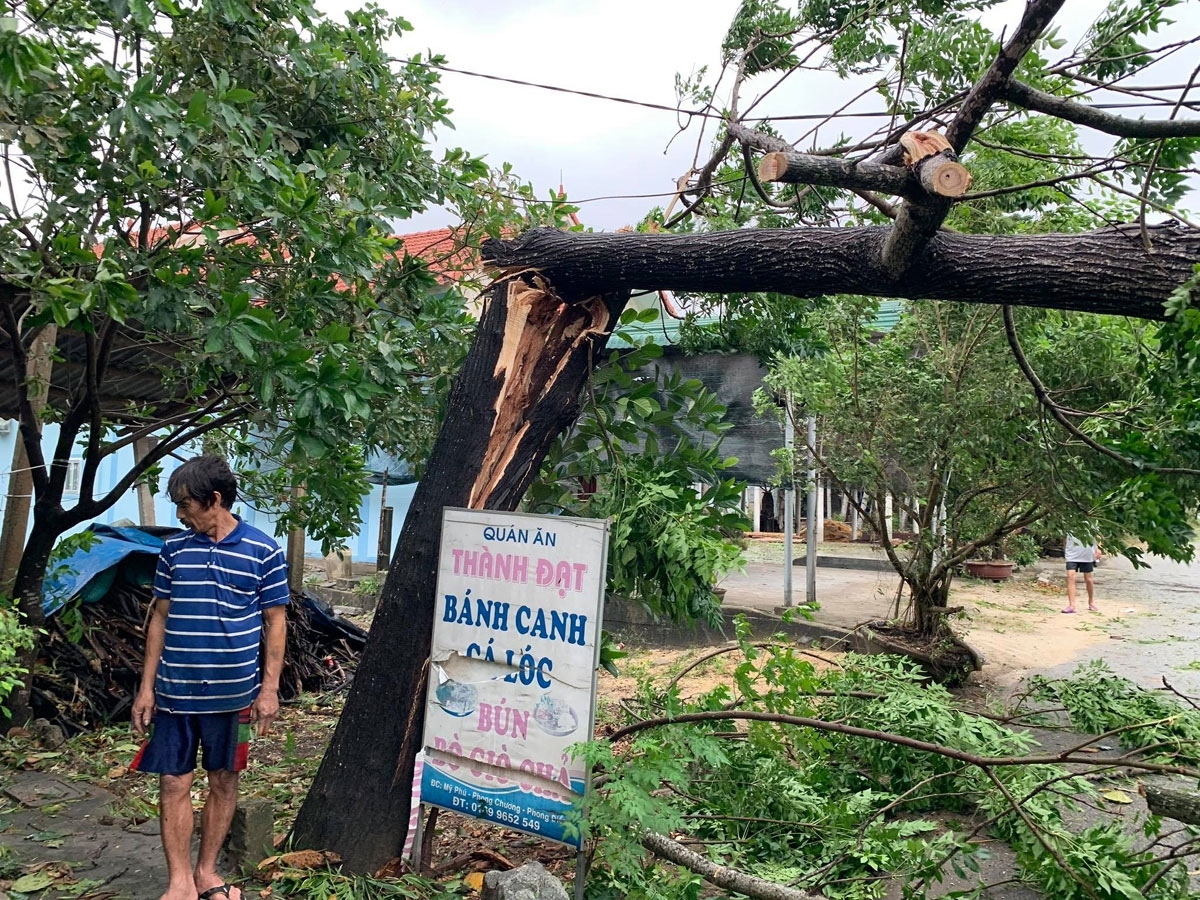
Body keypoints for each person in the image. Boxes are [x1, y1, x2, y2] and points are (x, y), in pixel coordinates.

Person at [131, 456, 289, 900]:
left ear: (214, 500)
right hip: (175, 692)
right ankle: (179, 882)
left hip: (233, 694)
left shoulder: (264, 551)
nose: (180, 515)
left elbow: (275, 621)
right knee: (173, 782)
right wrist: (146, 688)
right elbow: (159, 619)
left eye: (185, 505)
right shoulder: (174, 551)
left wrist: (269, 689)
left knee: (223, 781)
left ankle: (206, 873)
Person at [1063, 533, 1100, 614]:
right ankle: (1071, 605)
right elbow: (1065, 537)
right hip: (1071, 554)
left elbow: (1095, 536)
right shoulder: (1067, 522)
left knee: (1088, 580)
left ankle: (1091, 602)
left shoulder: (1092, 522)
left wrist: (1097, 549)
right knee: (1070, 577)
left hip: (1087, 555)